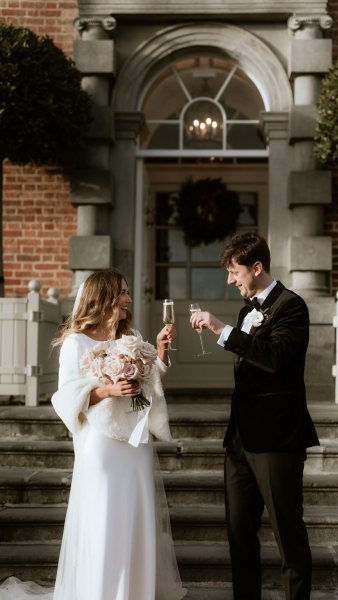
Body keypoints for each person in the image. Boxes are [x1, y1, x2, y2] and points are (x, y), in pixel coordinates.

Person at [0, 268, 187, 600]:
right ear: (105, 297)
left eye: (129, 292)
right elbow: (67, 395)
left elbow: (148, 383)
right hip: (100, 443)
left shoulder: (132, 338)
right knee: (103, 517)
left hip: (134, 440)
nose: (129, 298)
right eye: (124, 292)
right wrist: (108, 390)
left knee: (135, 514)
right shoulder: (76, 342)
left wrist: (160, 351)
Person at [190, 232, 320, 600]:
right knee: (239, 534)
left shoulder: (291, 306)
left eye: (235, 272)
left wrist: (220, 329)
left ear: (257, 267)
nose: (231, 280)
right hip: (240, 442)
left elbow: (275, 358)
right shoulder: (247, 311)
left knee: (287, 533)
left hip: (278, 439)